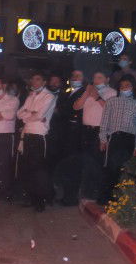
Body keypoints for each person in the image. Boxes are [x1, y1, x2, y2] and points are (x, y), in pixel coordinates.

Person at [97, 77, 136, 205]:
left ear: (133, 87)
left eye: (127, 85)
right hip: (115, 138)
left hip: (129, 140)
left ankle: (120, 199)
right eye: (122, 85)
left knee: (124, 170)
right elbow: (104, 121)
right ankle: (105, 198)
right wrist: (103, 139)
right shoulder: (111, 102)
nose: (124, 87)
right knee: (111, 168)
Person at [74, 71, 117, 201]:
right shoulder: (89, 91)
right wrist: (87, 93)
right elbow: (76, 106)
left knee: (97, 162)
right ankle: (87, 192)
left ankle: (97, 193)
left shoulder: (111, 92)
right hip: (86, 130)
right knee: (86, 161)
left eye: (99, 77)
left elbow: (111, 110)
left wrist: (97, 97)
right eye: (94, 77)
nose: (96, 80)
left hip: (100, 131)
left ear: (107, 79)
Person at [16, 72, 56, 212]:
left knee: (39, 170)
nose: (34, 81)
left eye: (38, 79)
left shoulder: (49, 96)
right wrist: (30, 114)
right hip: (27, 134)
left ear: (44, 82)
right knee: (28, 168)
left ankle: (40, 201)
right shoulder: (31, 95)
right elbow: (19, 114)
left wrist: (29, 114)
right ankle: (31, 199)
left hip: (39, 135)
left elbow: (39, 115)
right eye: (33, 79)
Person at [52, 70, 87, 206]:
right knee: (66, 166)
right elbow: (60, 110)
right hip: (64, 134)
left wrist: (63, 112)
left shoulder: (84, 93)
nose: (75, 78)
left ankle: (71, 197)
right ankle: (66, 195)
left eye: (78, 76)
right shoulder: (66, 93)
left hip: (75, 135)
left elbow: (70, 111)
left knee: (73, 167)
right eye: (73, 76)